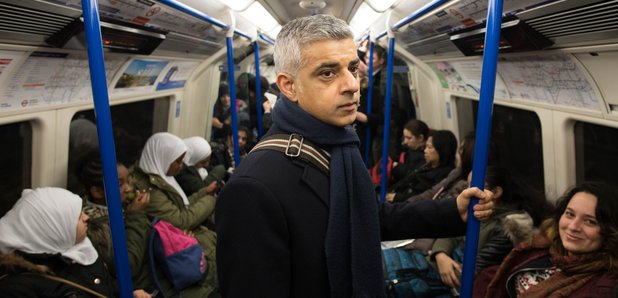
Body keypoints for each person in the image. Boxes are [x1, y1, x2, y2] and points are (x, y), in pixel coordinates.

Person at [216, 14, 494, 298]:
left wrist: (450, 210)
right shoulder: (252, 188)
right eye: (327, 73)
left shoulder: (338, 144)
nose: (351, 84)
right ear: (289, 86)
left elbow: (365, 217)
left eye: (352, 68)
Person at [477, 182, 618, 297]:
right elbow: (495, 277)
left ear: (610, 231)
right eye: (569, 214)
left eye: (590, 222)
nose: (573, 226)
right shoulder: (543, 248)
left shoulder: (605, 288)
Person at [430, 166, 552, 291]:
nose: (467, 192)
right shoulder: (479, 210)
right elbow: (452, 234)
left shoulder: (507, 229)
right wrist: (440, 255)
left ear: (496, 192)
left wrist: (439, 260)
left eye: (474, 187)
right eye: (467, 186)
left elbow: (470, 273)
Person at [131, 132, 219, 295]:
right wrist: (210, 200)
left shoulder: (163, 177)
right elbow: (182, 220)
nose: (181, 166)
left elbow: (181, 206)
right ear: (163, 158)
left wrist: (204, 192)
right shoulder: (149, 191)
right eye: (177, 161)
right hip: (181, 246)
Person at [0, 187, 122, 297]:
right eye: (76, 217)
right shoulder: (16, 288)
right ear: (52, 229)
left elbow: (106, 285)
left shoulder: (82, 249)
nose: (86, 217)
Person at [386, 130, 458, 203]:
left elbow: (426, 197)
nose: (425, 151)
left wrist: (398, 198)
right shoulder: (427, 165)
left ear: (442, 150)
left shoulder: (445, 174)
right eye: (425, 147)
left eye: (429, 147)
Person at [391, 119, 430, 183]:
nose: (405, 142)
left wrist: (397, 167)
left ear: (420, 138)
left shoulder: (425, 156)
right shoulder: (411, 150)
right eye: (404, 137)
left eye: (409, 138)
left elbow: (414, 176)